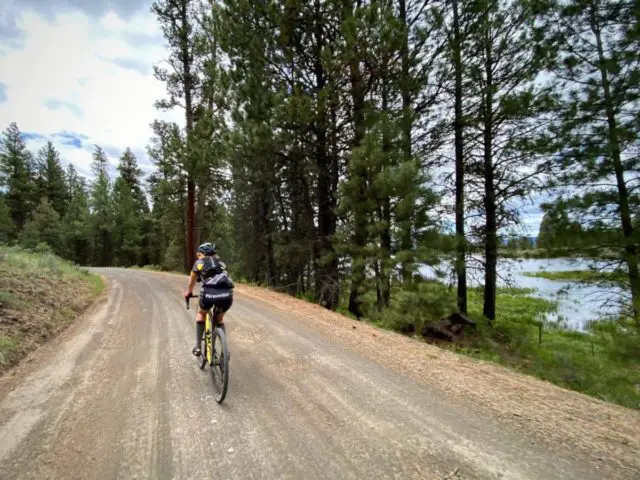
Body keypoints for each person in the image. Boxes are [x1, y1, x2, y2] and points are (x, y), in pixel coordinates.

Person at [184, 242, 234, 357]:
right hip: (227, 294)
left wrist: (189, 292)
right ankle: (224, 351)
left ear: (201, 254)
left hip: (209, 294)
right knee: (219, 319)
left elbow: (192, 281)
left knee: (201, 313)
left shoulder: (199, 263)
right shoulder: (221, 263)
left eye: (198, 255)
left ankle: (198, 347)